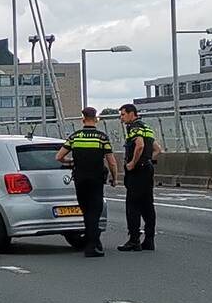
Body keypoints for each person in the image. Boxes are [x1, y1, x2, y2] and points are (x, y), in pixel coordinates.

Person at [56, 107, 118, 258]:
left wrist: (71, 161)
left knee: (86, 211)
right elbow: (111, 162)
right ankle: (92, 245)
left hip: (80, 179)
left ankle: (94, 244)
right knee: (94, 212)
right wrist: (114, 178)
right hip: (96, 179)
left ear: (83, 119)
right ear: (95, 119)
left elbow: (59, 157)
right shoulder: (101, 138)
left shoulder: (75, 137)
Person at [118, 103, 161, 252]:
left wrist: (132, 163)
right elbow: (157, 149)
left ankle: (134, 240)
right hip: (147, 170)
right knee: (148, 205)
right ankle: (149, 240)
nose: (121, 118)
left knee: (132, 205)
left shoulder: (134, 128)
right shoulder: (146, 128)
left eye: (123, 114)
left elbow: (140, 145)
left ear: (131, 114)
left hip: (137, 171)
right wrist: (148, 160)